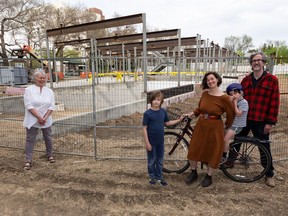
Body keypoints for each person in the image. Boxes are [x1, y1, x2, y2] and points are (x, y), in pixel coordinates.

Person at [225, 52, 280, 187]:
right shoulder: (246, 80)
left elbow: (274, 101)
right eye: (254, 60)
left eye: (259, 60)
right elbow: (237, 98)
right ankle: (229, 162)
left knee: (264, 146)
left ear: (263, 63)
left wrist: (270, 122)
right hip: (244, 118)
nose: (256, 62)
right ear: (251, 64)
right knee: (237, 141)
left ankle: (269, 173)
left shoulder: (272, 80)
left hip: (261, 119)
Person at [185, 72, 235, 187]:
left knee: (212, 151)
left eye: (212, 79)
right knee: (194, 149)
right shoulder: (205, 94)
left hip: (215, 126)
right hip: (201, 125)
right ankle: (194, 172)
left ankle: (209, 176)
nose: (210, 81)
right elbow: (200, 107)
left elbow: (231, 113)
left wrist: (227, 126)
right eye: (208, 80)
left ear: (217, 79)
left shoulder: (224, 98)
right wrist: (193, 113)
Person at [143, 90, 185, 186]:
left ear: (161, 101)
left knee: (160, 160)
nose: (156, 101)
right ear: (151, 101)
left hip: (160, 141)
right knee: (151, 160)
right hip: (151, 142)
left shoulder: (163, 112)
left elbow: (167, 123)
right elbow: (144, 128)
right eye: (154, 99)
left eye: (158, 100)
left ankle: (159, 177)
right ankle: (152, 177)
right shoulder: (147, 114)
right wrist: (147, 143)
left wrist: (179, 120)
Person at [23, 68, 56, 170]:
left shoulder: (49, 91)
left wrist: (44, 118)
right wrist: (39, 117)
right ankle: (28, 160)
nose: (42, 80)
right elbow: (28, 105)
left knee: (48, 137)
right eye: (40, 78)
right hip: (33, 119)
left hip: (46, 119)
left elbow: (52, 106)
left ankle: (49, 155)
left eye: (44, 78)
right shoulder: (29, 90)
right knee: (30, 139)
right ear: (35, 78)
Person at [221, 83, 249, 164]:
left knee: (225, 139)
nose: (233, 95)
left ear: (241, 93)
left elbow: (238, 113)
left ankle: (224, 157)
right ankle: (224, 150)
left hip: (237, 126)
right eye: (231, 94)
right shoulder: (234, 101)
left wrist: (235, 101)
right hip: (232, 124)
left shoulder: (244, 102)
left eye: (235, 93)